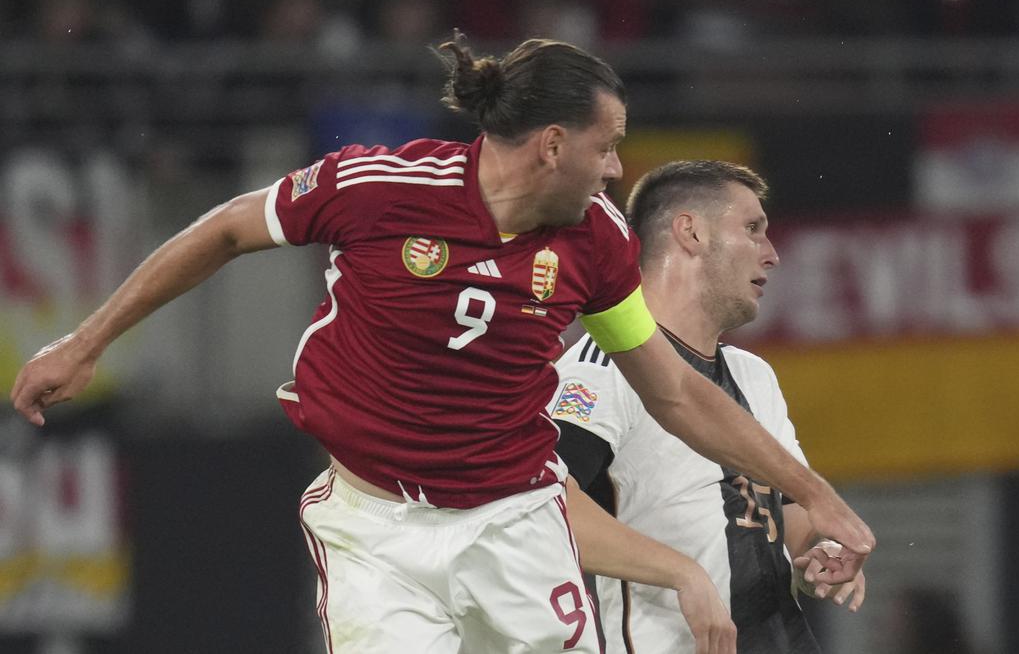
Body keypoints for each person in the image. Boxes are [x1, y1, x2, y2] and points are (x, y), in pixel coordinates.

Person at [9, 34, 873, 653]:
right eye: (607, 149)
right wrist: (86, 344)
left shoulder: (596, 244)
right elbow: (228, 229)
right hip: (375, 525)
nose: (616, 169)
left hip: (513, 520)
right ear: (551, 145)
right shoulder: (380, 186)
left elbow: (673, 392)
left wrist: (815, 495)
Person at [551, 160, 866, 653]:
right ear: (690, 232)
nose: (773, 255)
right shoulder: (603, 366)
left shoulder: (753, 375)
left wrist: (817, 555)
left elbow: (787, 513)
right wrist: (682, 574)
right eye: (752, 229)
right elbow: (544, 508)